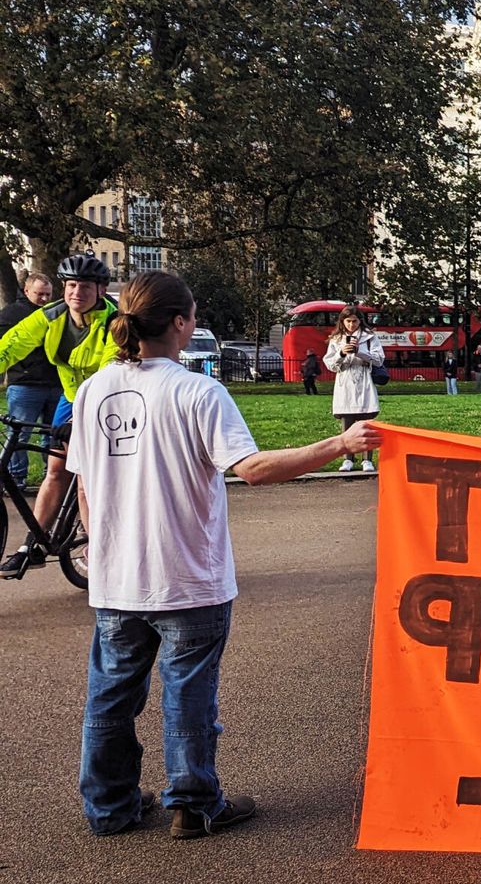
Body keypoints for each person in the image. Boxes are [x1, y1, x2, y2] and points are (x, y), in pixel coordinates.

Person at [68, 270, 383, 837]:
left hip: (116, 578)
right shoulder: (197, 392)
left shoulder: (93, 389)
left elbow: (85, 485)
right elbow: (253, 469)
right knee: (188, 695)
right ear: (181, 323)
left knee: (110, 697)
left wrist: (102, 548)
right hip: (188, 574)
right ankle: (192, 803)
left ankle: (109, 806)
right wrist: (339, 442)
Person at [0, 254, 120, 579]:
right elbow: (10, 346)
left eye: (85, 286)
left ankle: (101, 558)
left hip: (105, 402)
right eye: (71, 285)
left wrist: (81, 420)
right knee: (55, 470)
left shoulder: (114, 322)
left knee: (84, 481)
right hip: (70, 399)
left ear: (101, 290)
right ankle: (33, 546)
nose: (76, 292)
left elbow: (109, 374)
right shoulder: (50, 316)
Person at [2, 271, 59, 487]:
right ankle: (15, 478)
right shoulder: (12, 314)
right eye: (39, 294)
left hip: (56, 383)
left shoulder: (56, 313)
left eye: (48, 294)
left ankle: (51, 476)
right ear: (27, 291)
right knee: (18, 435)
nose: (44, 298)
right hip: (25, 384)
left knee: (53, 435)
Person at [323, 308, 385, 472]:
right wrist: (341, 353)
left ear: (360, 321)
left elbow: (379, 359)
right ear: (342, 321)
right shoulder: (336, 339)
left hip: (364, 381)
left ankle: (367, 459)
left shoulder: (370, 337)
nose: (351, 325)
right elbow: (330, 364)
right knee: (347, 422)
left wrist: (360, 352)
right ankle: (348, 459)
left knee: (366, 421)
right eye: (348, 321)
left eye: (354, 321)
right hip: (345, 382)